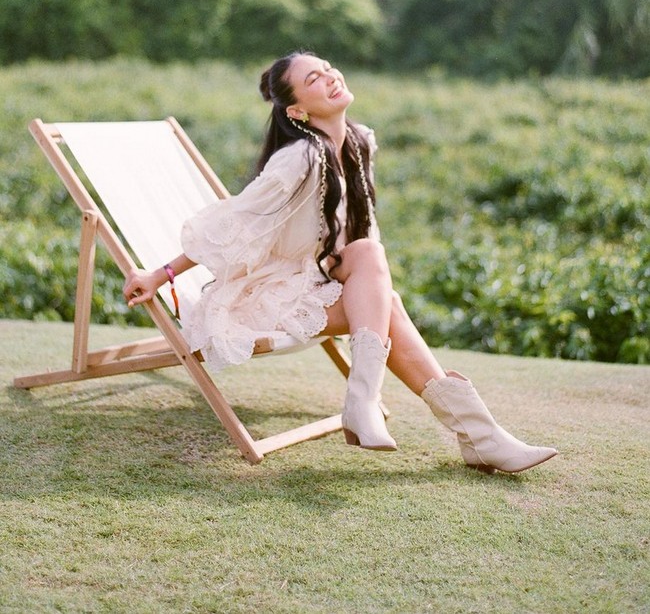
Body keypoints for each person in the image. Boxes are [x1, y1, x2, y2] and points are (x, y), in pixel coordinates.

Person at [123, 51, 557, 473]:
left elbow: (355, 231)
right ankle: (467, 432)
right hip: (266, 298)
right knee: (384, 297)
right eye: (313, 79)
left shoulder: (358, 141)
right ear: (296, 111)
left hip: (312, 283)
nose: (331, 77)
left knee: (376, 273)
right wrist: (160, 275)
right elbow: (234, 222)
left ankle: (458, 430)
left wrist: (357, 276)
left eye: (328, 69)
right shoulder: (298, 157)